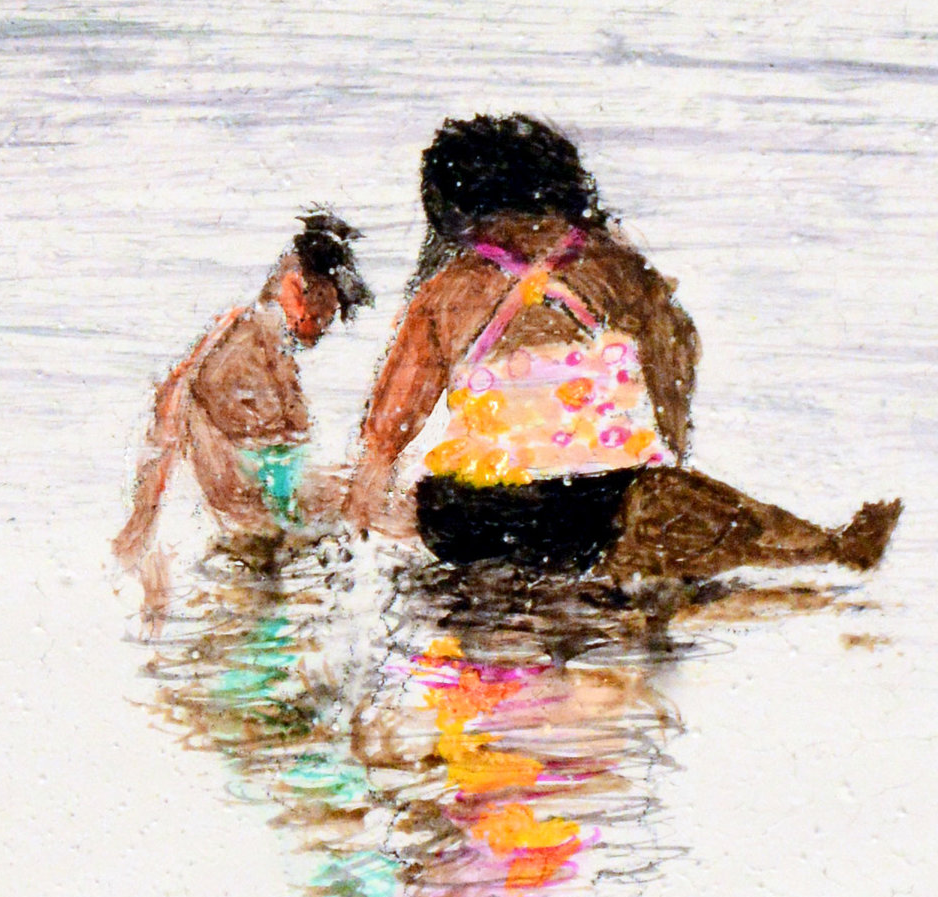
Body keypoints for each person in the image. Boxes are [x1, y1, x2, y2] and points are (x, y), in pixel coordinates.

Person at [340, 116, 899, 578]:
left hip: (476, 515)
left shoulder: (456, 287)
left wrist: (359, 519)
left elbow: (390, 419)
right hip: (570, 509)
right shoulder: (615, 272)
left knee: (660, 506)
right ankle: (827, 548)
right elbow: (673, 362)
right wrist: (673, 451)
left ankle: (821, 548)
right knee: (683, 508)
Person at [115, 213, 371, 598]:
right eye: (322, 317)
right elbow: (176, 414)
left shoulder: (263, 338)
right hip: (250, 515)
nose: (322, 331)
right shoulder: (243, 341)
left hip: (262, 509)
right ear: (296, 288)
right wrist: (143, 519)